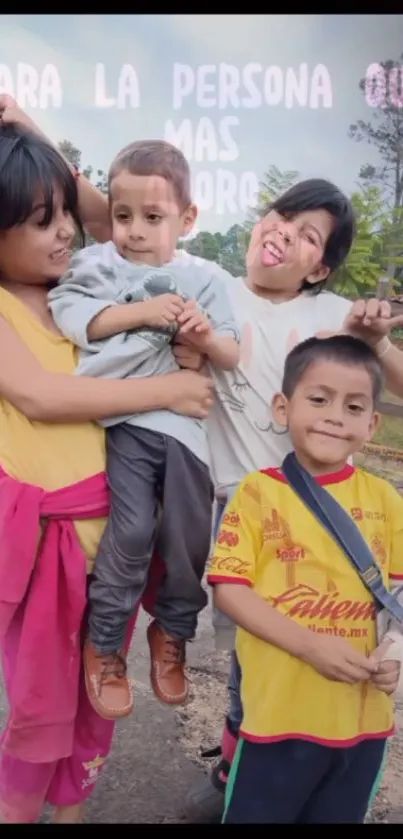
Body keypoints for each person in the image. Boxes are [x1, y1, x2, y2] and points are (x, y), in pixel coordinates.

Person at [0, 118, 213, 824]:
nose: (66, 230)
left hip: (113, 550)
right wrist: (167, 390)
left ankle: (72, 815)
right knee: (39, 704)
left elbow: (112, 214)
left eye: (64, 213)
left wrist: (29, 131)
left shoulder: (88, 282)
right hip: (44, 554)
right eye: (40, 221)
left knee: (98, 696)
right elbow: (41, 396)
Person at [48, 139, 240, 719]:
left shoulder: (205, 280)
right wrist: (143, 312)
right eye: (123, 215)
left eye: (152, 218)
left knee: (189, 537)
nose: (133, 231)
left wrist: (204, 338)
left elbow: (230, 353)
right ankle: (105, 641)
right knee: (129, 533)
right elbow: (73, 318)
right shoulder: (97, 264)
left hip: (184, 431)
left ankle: (172, 630)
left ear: (187, 218)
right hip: (125, 420)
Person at [208, 334, 403, 824]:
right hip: (278, 719)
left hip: (364, 722)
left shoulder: (385, 499)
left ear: (371, 424)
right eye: (318, 399)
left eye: (353, 406)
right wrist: (309, 646)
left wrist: (394, 653)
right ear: (283, 407)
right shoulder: (257, 493)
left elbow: (398, 595)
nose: (335, 416)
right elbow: (229, 588)